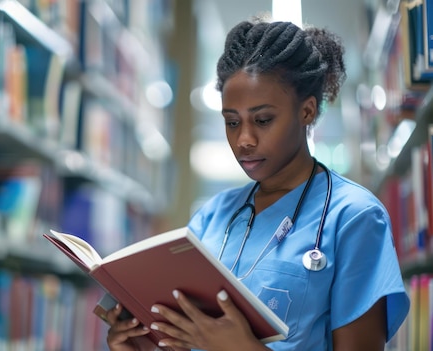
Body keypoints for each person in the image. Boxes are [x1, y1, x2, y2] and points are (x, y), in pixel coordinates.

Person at [104, 18, 410, 351]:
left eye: (263, 120)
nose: (244, 140)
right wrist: (136, 346)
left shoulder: (354, 218)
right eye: (232, 122)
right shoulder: (214, 216)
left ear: (307, 111)